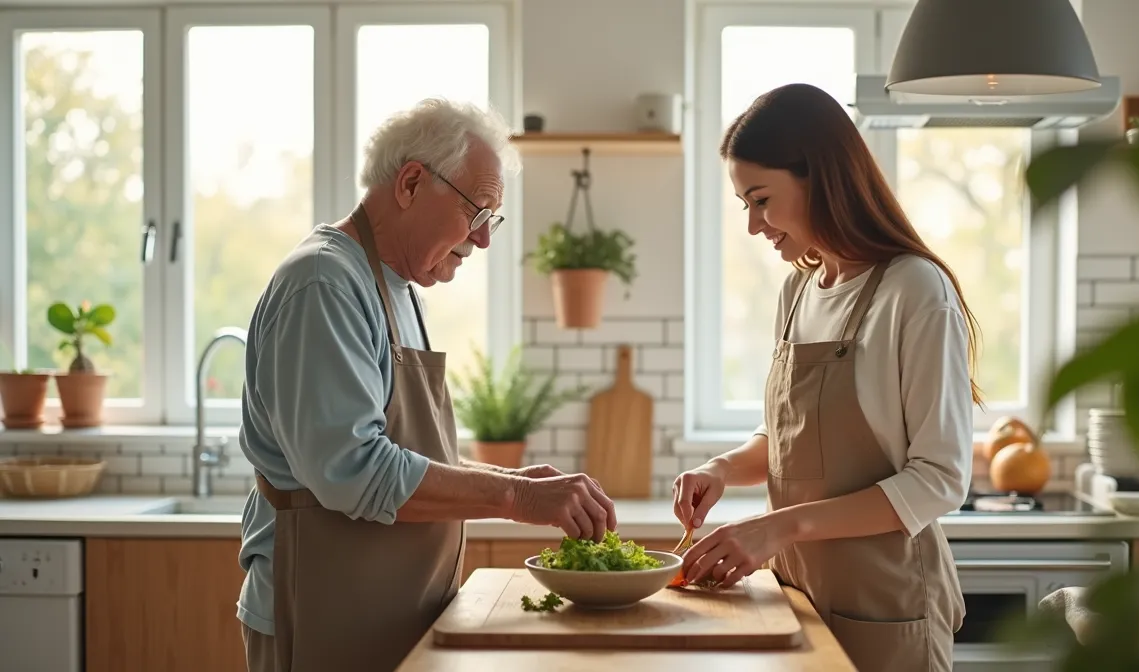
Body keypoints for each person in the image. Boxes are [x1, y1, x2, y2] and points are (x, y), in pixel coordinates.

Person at [235, 98, 618, 672]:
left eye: (493, 219)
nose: (483, 240)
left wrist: (512, 477)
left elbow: (406, 454)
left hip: (386, 615)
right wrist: (517, 498)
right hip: (321, 616)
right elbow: (353, 470)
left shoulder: (392, 283)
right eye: (478, 211)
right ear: (412, 182)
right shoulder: (323, 283)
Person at [672, 83, 976, 672]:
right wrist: (721, 470)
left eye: (762, 199)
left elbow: (940, 479)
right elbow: (790, 442)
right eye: (746, 205)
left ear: (820, 177)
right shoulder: (798, 291)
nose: (756, 225)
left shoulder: (913, 290)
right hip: (800, 596)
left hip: (888, 605)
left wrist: (774, 529)